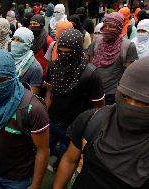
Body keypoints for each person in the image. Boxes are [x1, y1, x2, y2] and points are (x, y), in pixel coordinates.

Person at [53, 57, 149, 189]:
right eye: (125, 97)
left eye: (144, 103)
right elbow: (70, 160)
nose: (130, 106)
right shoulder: (93, 119)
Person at [0, 49, 49, 189]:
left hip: (21, 178)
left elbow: (43, 150)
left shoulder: (32, 108)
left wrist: (35, 184)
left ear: (12, 77)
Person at [45, 29, 105, 168]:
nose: (64, 56)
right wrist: (46, 114)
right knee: (50, 147)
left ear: (78, 51)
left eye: (68, 53)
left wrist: (89, 130)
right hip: (53, 120)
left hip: (75, 127)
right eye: (60, 52)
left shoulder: (91, 74)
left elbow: (99, 107)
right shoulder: (54, 66)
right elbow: (49, 92)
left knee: (67, 157)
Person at [89, 13, 138, 105]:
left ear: (119, 28)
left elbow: (128, 73)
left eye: (112, 26)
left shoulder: (128, 46)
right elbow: (90, 65)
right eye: (105, 25)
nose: (107, 29)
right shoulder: (97, 42)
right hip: (94, 90)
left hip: (112, 93)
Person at [10, 27, 43, 95]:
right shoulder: (7, 58)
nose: (14, 43)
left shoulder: (35, 68)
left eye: (19, 40)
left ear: (28, 44)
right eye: (13, 39)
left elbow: (33, 96)